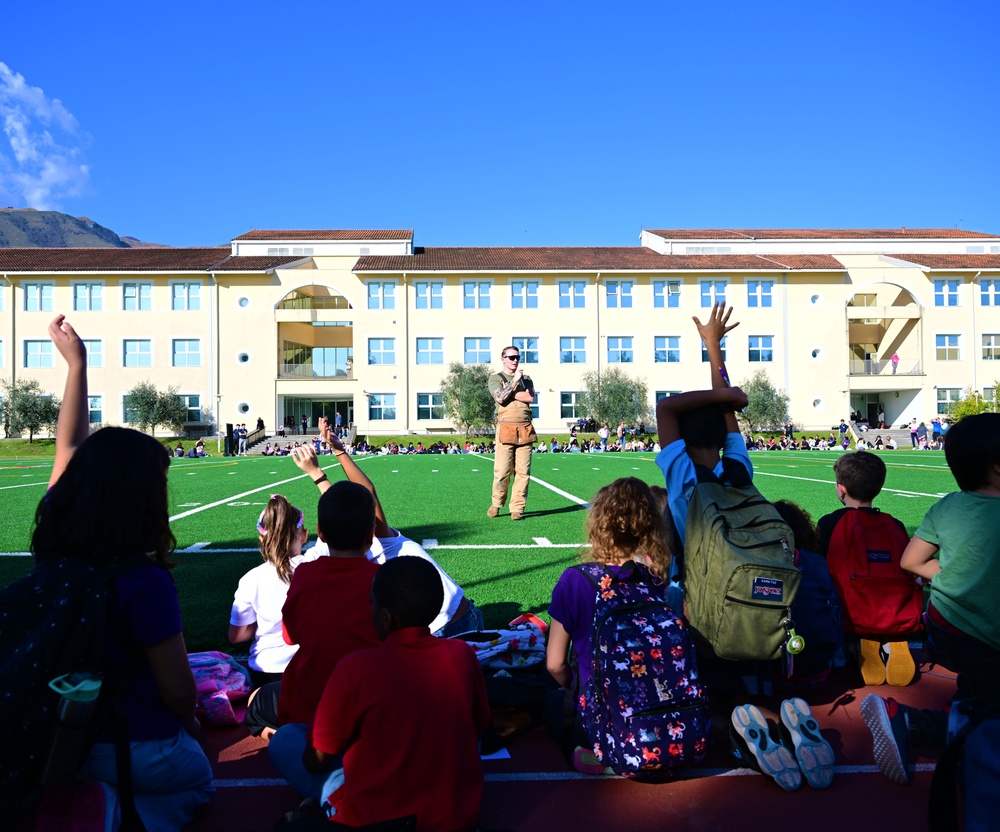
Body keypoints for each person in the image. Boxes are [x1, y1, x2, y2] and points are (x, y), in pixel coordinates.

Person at [32, 315, 214, 830]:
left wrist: (77, 366)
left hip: (56, 738)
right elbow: (179, 693)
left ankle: (85, 798)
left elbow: (68, 452)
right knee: (201, 781)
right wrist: (192, 728)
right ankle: (116, 813)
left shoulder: (55, 551)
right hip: (134, 741)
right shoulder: (143, 580)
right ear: (142, 501)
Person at [268, 557, 490, 829]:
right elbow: (478, 727)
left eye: (371, 604)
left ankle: (330, 805)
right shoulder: (462, 655)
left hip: (378, 817)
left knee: (285, 740)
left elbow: (315, 761)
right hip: (454, 812)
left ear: (386, 617)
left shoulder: (356, 667)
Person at [862, 412, 1000, 785]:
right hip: (986, 638)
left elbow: (912, 560)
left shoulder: (947, 505)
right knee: (990, 717)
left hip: (946, 629)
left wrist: (957, 578)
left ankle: (962, 708)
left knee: (982, 692)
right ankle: (912, 723)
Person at [301, 418, 483, 637]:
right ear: (369, 532)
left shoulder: (346, 557)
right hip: (463, 616)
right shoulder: (375, 538)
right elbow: (358, 497)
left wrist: (322, 468)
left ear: (321, 532)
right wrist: (332, 457)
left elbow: (348, 504)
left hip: (442, 630)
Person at [546, 477, 674, 774]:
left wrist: (575, 689)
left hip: (598, 715)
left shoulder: (575, 579)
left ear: (599, 522)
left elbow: (555, 665)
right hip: (652, 709)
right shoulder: (656, 580)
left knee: (551, 702)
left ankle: (599, 751)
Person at [246, 478, 381, 737]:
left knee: (255, 701)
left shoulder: (306, 575)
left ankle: (278, 735)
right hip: (369, 698)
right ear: (371, 534)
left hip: (313, 701)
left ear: (319, 532)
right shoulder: (382, 577)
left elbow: (290, 636)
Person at [816, 452, 915, 686]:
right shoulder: (895, 524)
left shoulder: (830, 523)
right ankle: (892, 638)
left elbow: (819, 565)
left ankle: (861, 639)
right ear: (878, 487)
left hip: (851, 609)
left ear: (841, 489)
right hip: (893, 604)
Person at [229, 494, 318, 697]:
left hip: (266, 672)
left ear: (262, 538)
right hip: (308, 667)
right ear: (304, 535)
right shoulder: (315, 566)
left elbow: (236, 636)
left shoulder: (251, 579)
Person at [487, 345, 536, 521]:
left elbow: (530, 397)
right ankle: (497, 504)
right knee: (502, 471)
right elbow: (499, 398)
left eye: (517, 357)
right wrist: (515, 382)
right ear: (503, 359)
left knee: (523, 472)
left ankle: (517, 508)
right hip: (505, 428)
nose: (515, 360)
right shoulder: (495, 378)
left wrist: (510, 392)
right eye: (511, 357)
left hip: (525, 427)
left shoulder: (527, 379)